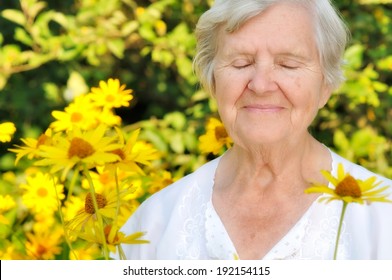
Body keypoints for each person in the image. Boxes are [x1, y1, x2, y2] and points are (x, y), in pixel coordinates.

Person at [117, 0, 392, 260]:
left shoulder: (382, 218)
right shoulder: (155, 223)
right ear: (212, 81)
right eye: (241, 63)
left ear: (326, 86)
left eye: (288, 64)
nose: (261, 85)